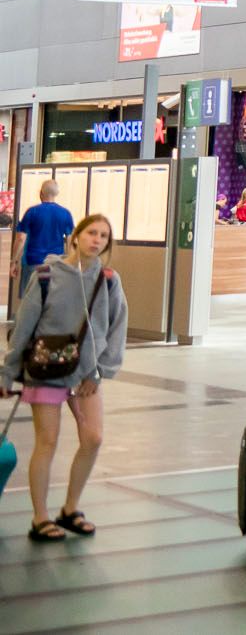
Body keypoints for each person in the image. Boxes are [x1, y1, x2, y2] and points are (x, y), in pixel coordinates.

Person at [3, 213, 126, 543]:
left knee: (93, 438)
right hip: (46, 371)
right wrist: (8, 373)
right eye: (91, 233)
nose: (96, 240)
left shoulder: (109, 280)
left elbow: (117, 328)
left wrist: (101, 370)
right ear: (75, 237)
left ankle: (70, 509)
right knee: (47, 442)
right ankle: (40, 517)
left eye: (103, 236)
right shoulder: (46, 275)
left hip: (86, 375)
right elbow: (25, 326)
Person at [13, 178, 71, 289]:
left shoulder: (32, 212)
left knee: (30, 300)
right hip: (55, 264)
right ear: (56, 194)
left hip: (32, 263)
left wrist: (14, 261)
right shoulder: (65, 214)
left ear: (41, 192)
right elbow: (71, 241)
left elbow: (21, 238)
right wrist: (68, 264)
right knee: (52, 300)